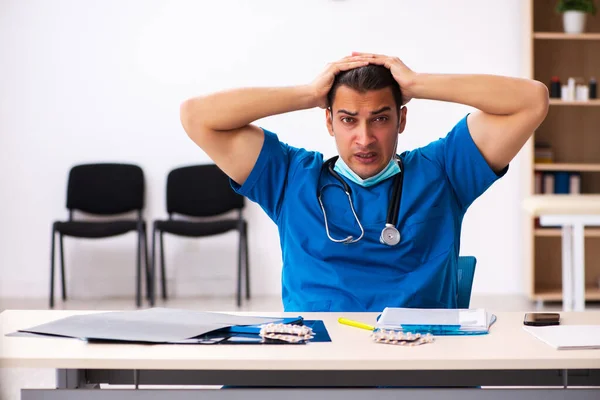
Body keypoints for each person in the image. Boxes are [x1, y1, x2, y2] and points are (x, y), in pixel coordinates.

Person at [180, 52, 549, 312]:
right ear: (328, 122)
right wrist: (308, 93)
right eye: (347, 119)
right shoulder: (290, 177)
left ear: (401, 120)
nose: (365, 137)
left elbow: (532, 99)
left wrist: (417, 83)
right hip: (318, 363)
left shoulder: (444, 171)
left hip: (422, 363)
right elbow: (196, 116)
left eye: (380, 119)